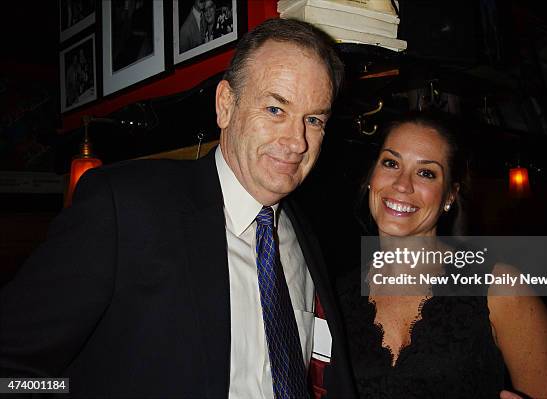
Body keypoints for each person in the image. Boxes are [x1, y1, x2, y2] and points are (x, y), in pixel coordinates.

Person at [0, 18, 355, 398]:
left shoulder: (304, 233)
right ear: (226, 105)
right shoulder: (125, 210)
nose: (297, 141)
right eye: (274, 109)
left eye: (314, 119)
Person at [336, 111, 547, 398]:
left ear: (449, 196)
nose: (402, 184)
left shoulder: (500, 288)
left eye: (426, 173)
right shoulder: (336, 297)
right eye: (391, 163)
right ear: (372, 177)